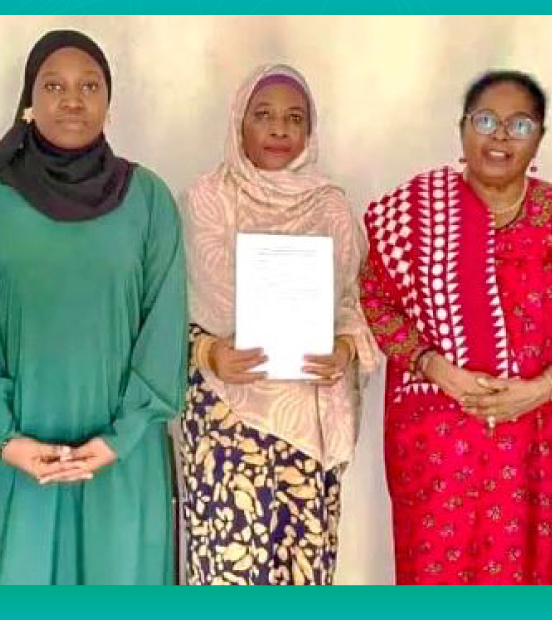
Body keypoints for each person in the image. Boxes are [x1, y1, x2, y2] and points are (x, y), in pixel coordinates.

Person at [0, 30, 187, 585]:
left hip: (123, 460)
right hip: (19, 460)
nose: (72, 100)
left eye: (90, 86)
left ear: (109, 103)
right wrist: (5, 436)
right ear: (29, 100)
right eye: (54, 86)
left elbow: (164, 328)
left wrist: (120, 438)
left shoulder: (148, 200)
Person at [358, 70, 552, 585]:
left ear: (538, 139)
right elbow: (377, 301)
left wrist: (544, 386)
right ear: (462, 129)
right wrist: (436, 368)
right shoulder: (415, 214)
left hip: (545, 440)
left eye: (519, 125)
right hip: (441, 447)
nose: (500, 136)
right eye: (486, 121)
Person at [177, 64, 378, 585]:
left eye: (295, 118)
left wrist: (345, 350)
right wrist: (209, 352)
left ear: (310, 130)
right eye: (263, 115)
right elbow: (165, 310)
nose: (279, 129)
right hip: (226, 422)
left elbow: (357, 303)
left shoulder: (331, 206)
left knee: (301, 575)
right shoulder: (204, 201)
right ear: (238, 123)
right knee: (227, 573)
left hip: (308, 426)